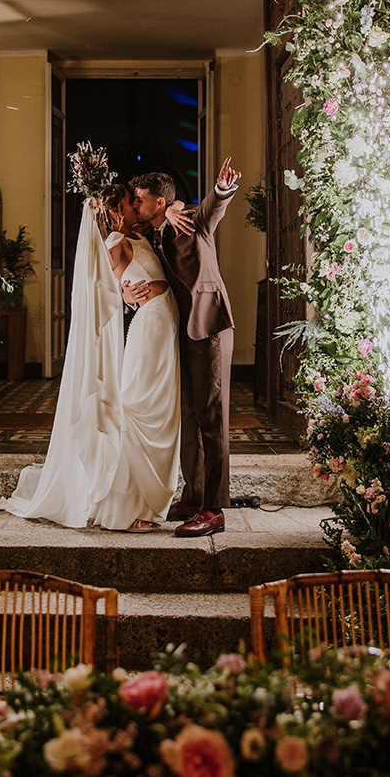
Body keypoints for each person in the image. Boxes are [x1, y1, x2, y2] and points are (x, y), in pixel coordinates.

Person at [0, 183, 180, 531]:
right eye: (130, 203)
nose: (135, 207)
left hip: (162, 326)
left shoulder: (138, 234)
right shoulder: (113, 243)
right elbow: (94, 289)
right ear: (114, 211)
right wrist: (122, 292)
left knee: (159, 411)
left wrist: (172, 205)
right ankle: (122, 511)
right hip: (148, 329)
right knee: (135, 412)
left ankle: (144, 504)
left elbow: (169, 209)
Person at [130, 157, 240, 538]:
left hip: (209, 326)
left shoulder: (191, 218)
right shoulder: (155, 231)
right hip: (180, 331)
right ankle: (193, 496)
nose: (137, 204)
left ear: (160, 201)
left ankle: (213, 509)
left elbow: (213, 207)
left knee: (212, 417)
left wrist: (222, 189)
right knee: (189, 416)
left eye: (142, 199)